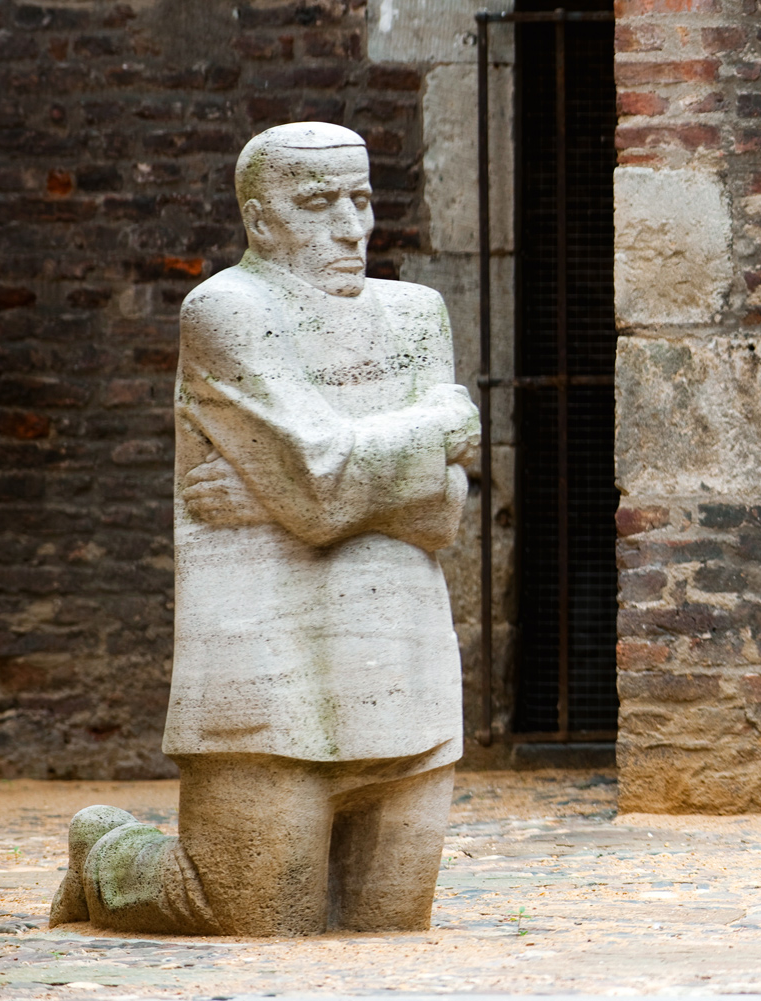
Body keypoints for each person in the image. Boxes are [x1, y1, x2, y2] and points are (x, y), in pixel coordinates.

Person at [49, 122, 480, 936]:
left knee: (387, 929)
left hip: (407, 676)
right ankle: (105, 857)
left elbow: (444, 509)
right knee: (250, 914)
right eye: (317, 204)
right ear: (260, 219)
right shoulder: (226, 311)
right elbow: (319, 483)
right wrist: (424, 436)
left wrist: (271, 493)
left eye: (360, 199)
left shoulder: (419, 314)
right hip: (272, 682)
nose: (351, 228)